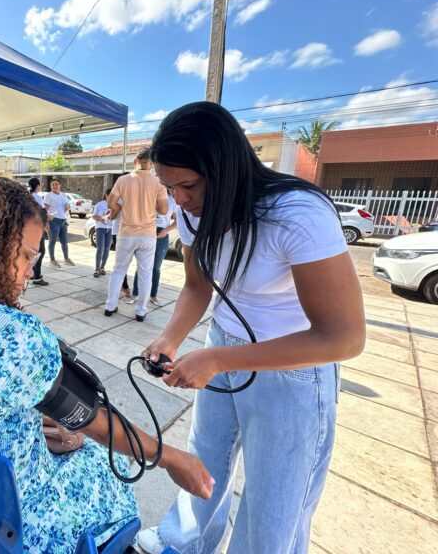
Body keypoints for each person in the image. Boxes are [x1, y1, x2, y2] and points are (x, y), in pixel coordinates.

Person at [0, 177, 213, 553]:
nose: (28, 273)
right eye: (25, 256)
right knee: (99, 461)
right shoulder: (9, 334)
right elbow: (97, 424)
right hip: (12, 523)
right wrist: (171, 458)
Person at [136, 102, 365, 554]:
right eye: (169, 187)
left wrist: (220, 360)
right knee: (207, 454)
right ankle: (183, 542)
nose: (179, 200)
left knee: (273, 500)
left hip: (293, 366)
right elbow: (197, 286)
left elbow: (344, 337)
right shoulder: (192, 211)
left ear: (225, 169)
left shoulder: (297, 213)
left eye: (188, 185)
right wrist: (170, 338)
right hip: (222, 341)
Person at [104, 149, 168, 322]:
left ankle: (110, 306)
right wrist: (151, 203)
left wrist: (121, 207)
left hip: (126, 233)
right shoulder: (159, 182)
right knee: (145, 273)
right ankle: (140, 311)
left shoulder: (123, 180)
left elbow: (110, 203)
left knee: (118, 270)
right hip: (147, 234)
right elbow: (164, 210)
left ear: (135, 161)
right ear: (152, 163)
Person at [128, 189, 175, 307]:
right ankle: (135, 293)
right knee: (142, 265)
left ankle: (153, 295)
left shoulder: (171, 201)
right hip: (146, 232)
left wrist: (166, 230)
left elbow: (178, 220)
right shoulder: (148, 197)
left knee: (156, 267)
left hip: (161, 234)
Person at [44, 179, 74, 267]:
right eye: (52, 184)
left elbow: (67, 205)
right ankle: (52, 260)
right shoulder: (48, 195)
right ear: (51, 186)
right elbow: (45, 210)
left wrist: (68, 206)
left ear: (60, 185)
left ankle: (66, 259)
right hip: (53, 221)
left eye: (56, 184)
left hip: (63, 221)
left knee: (64, 241)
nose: (54, 186)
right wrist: (46, 221)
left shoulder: (63, 195)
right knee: (52, 241)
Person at [28, 177, 49, 286]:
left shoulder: (27, 196)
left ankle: (31, 273)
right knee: (41, 251)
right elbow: (43, 213)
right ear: (37, 186)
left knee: (33, 251)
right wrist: (46, 222)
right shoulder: (37, 197)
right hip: (37, 227)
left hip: (28, 228)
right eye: (40, 185)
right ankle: (37, 277)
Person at [92, 188, 113, 277]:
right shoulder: (100, 204)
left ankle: (102, 267)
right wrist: (101, 219)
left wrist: (112, 217)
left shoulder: (115, 205)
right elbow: (94, 216)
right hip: (100, 228)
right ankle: (97, 268)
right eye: (110, 195)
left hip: (110, 229)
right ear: (106, 195)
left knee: (107, 249)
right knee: (100, 249)